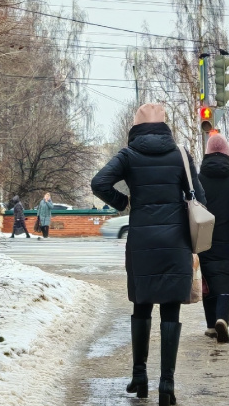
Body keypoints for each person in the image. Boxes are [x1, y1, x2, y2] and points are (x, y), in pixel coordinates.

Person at [92, 103, 204, 406]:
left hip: (141, 241)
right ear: (164, 125)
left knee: (141, 305)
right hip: (175, 241)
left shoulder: (128, 155)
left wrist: (124, 202)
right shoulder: (180, 154)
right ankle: (166, 383)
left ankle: (139, 376)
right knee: (171, 308)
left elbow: (98, 183)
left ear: (136, 126)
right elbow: (201, 198)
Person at [197, 133, 229, 344]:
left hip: (203, 237)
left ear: (207, 154)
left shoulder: (196, 181)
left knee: (207, 279)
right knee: (227, 279)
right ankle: (222, 318)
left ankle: (210, 326)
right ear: (228, 155)